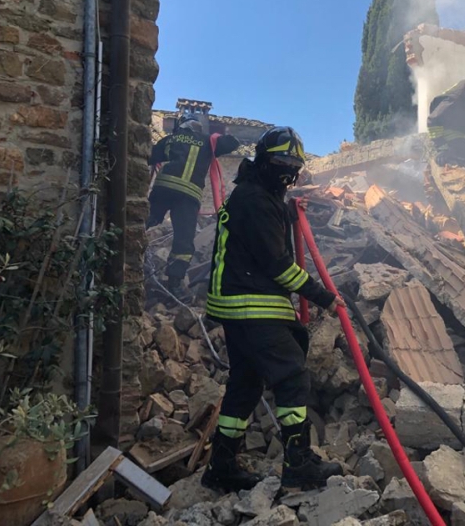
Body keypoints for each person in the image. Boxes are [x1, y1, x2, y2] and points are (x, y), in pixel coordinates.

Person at [202, 126, 346, 493]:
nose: (288, 171)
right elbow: (278, 265)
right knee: (292, 376)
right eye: (282, 162)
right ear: (264, 161)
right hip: (251, 303)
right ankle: (297, 463)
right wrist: (324, 296)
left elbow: (268, 239)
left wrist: (290, 215)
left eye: (294, 164)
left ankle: (221, 466)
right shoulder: (254, 201)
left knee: (246, 385)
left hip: (240, 304)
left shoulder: (259, 197)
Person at [147, 114, 240, 301]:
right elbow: (233, 143)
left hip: (163, 190)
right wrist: (218, 136)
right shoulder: (207, 142)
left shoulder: (170, 139)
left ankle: (123, 250)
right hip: (188, 197)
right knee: (183, 240)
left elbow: (150, 156)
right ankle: (174, 284)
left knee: (147, 220)